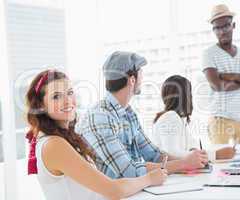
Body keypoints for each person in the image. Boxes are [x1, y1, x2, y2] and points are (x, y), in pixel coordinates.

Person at [25, 69, 168, 200]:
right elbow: (113, 190)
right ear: (41, 106)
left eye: (69, 92)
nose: (68, 101)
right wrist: (149, 179)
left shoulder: (64, 138)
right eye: (56, 96)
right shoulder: (53, 145)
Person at [76, 51, 208, 179]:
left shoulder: (128, 114)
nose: (143, 77)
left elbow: (154, 155)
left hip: (134, 190)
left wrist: (193, 159)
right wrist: (183, 163)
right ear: (132, 80)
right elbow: (129, 171)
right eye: (141, 72)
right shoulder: (100, 116)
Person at [201, 4, 240, 144]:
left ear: (233, 25)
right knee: (220, 163)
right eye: (217, 28)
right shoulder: (209, 54)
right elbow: (217, 86)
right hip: (220, 120)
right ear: (213, 30)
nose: (222, 31)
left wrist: (232, 75)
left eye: (226, 26)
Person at [152, 75, 235, 161]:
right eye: (189, 93)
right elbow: (172, 153)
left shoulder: (177, 118)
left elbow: (192, 145)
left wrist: (197, 151)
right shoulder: (170, 117)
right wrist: (215, 155)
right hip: (171, 172)